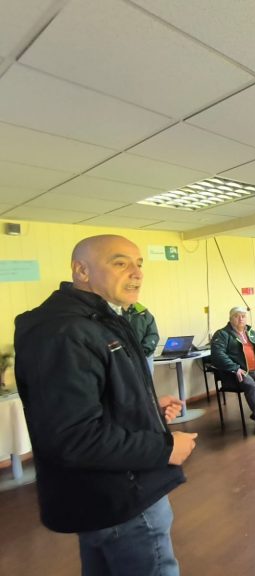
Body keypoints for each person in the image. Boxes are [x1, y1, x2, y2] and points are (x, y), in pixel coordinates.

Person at [14, 234, 197, 576]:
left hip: (107, 496)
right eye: (120, 263)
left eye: (139, 263)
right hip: (123, 499)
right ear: (81, 270)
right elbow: (74, 437)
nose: (137, 272)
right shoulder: (67, 331)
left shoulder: (96, 322)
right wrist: (165, 448)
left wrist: (147, 408)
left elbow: (90, 403)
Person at [210, 307, 255, 436]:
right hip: (238, 373)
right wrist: (235, 368)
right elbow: (217, 355)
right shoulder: (222, 334)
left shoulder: (252, 332)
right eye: (237, 316)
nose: (241, 318)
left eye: (243, 316)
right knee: (251, 386)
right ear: (231, 319)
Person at [122, 300, 159, 375]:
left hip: (144, 355)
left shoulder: (143, 312)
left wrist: (142, 351)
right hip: (122, 356)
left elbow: (153, 334)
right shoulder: (112, 312)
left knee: (146, 384)